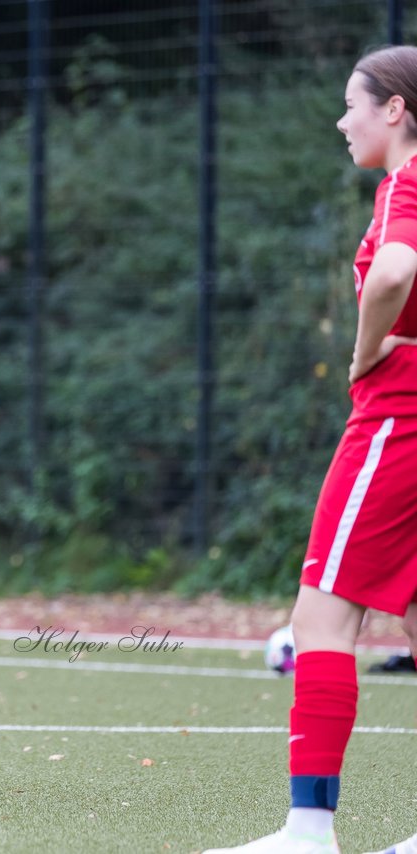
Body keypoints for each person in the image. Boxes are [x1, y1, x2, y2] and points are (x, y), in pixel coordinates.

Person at [205, 46, 417, 854]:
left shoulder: (406, 182)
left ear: (393, 110)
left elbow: (394, 270)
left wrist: (366, 350)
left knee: (322, 617)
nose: (342, 119)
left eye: (352, 103)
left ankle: (307, 830)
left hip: (399, 415)